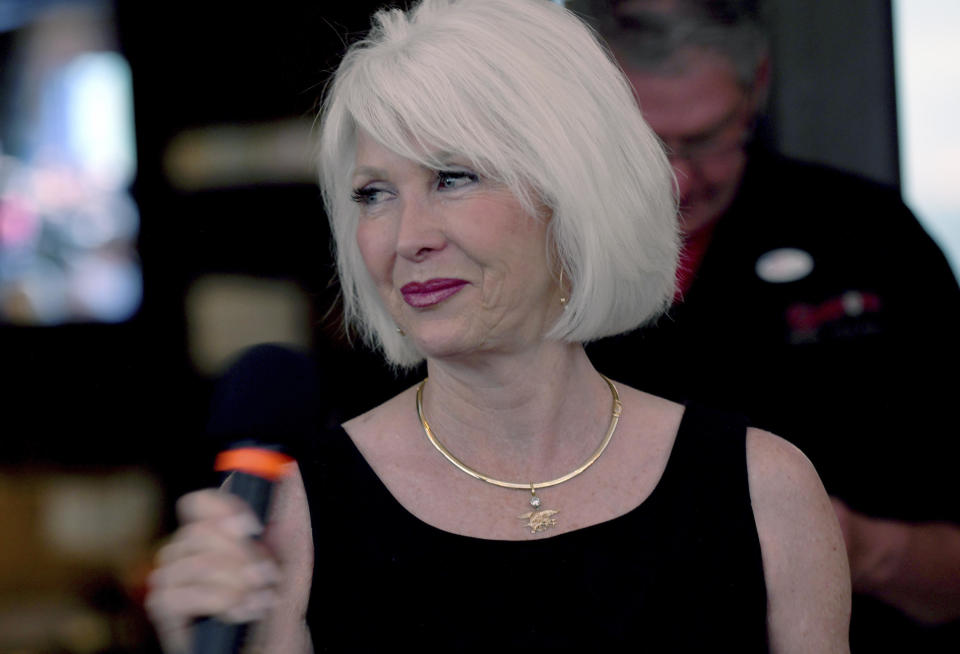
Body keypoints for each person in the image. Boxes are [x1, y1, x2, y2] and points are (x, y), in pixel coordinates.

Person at [145, 0, 850, 651]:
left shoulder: (765, 487)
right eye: (374, 194)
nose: (407, 236)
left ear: (572, 193)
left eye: (453, 177)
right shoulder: (294, 521)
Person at [573, 0, 960, 650]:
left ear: (758, 85)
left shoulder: (871, 238)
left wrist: (864, 550)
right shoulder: (532, 256)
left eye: (707, 140)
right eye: (639, 143)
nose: (677, 180)